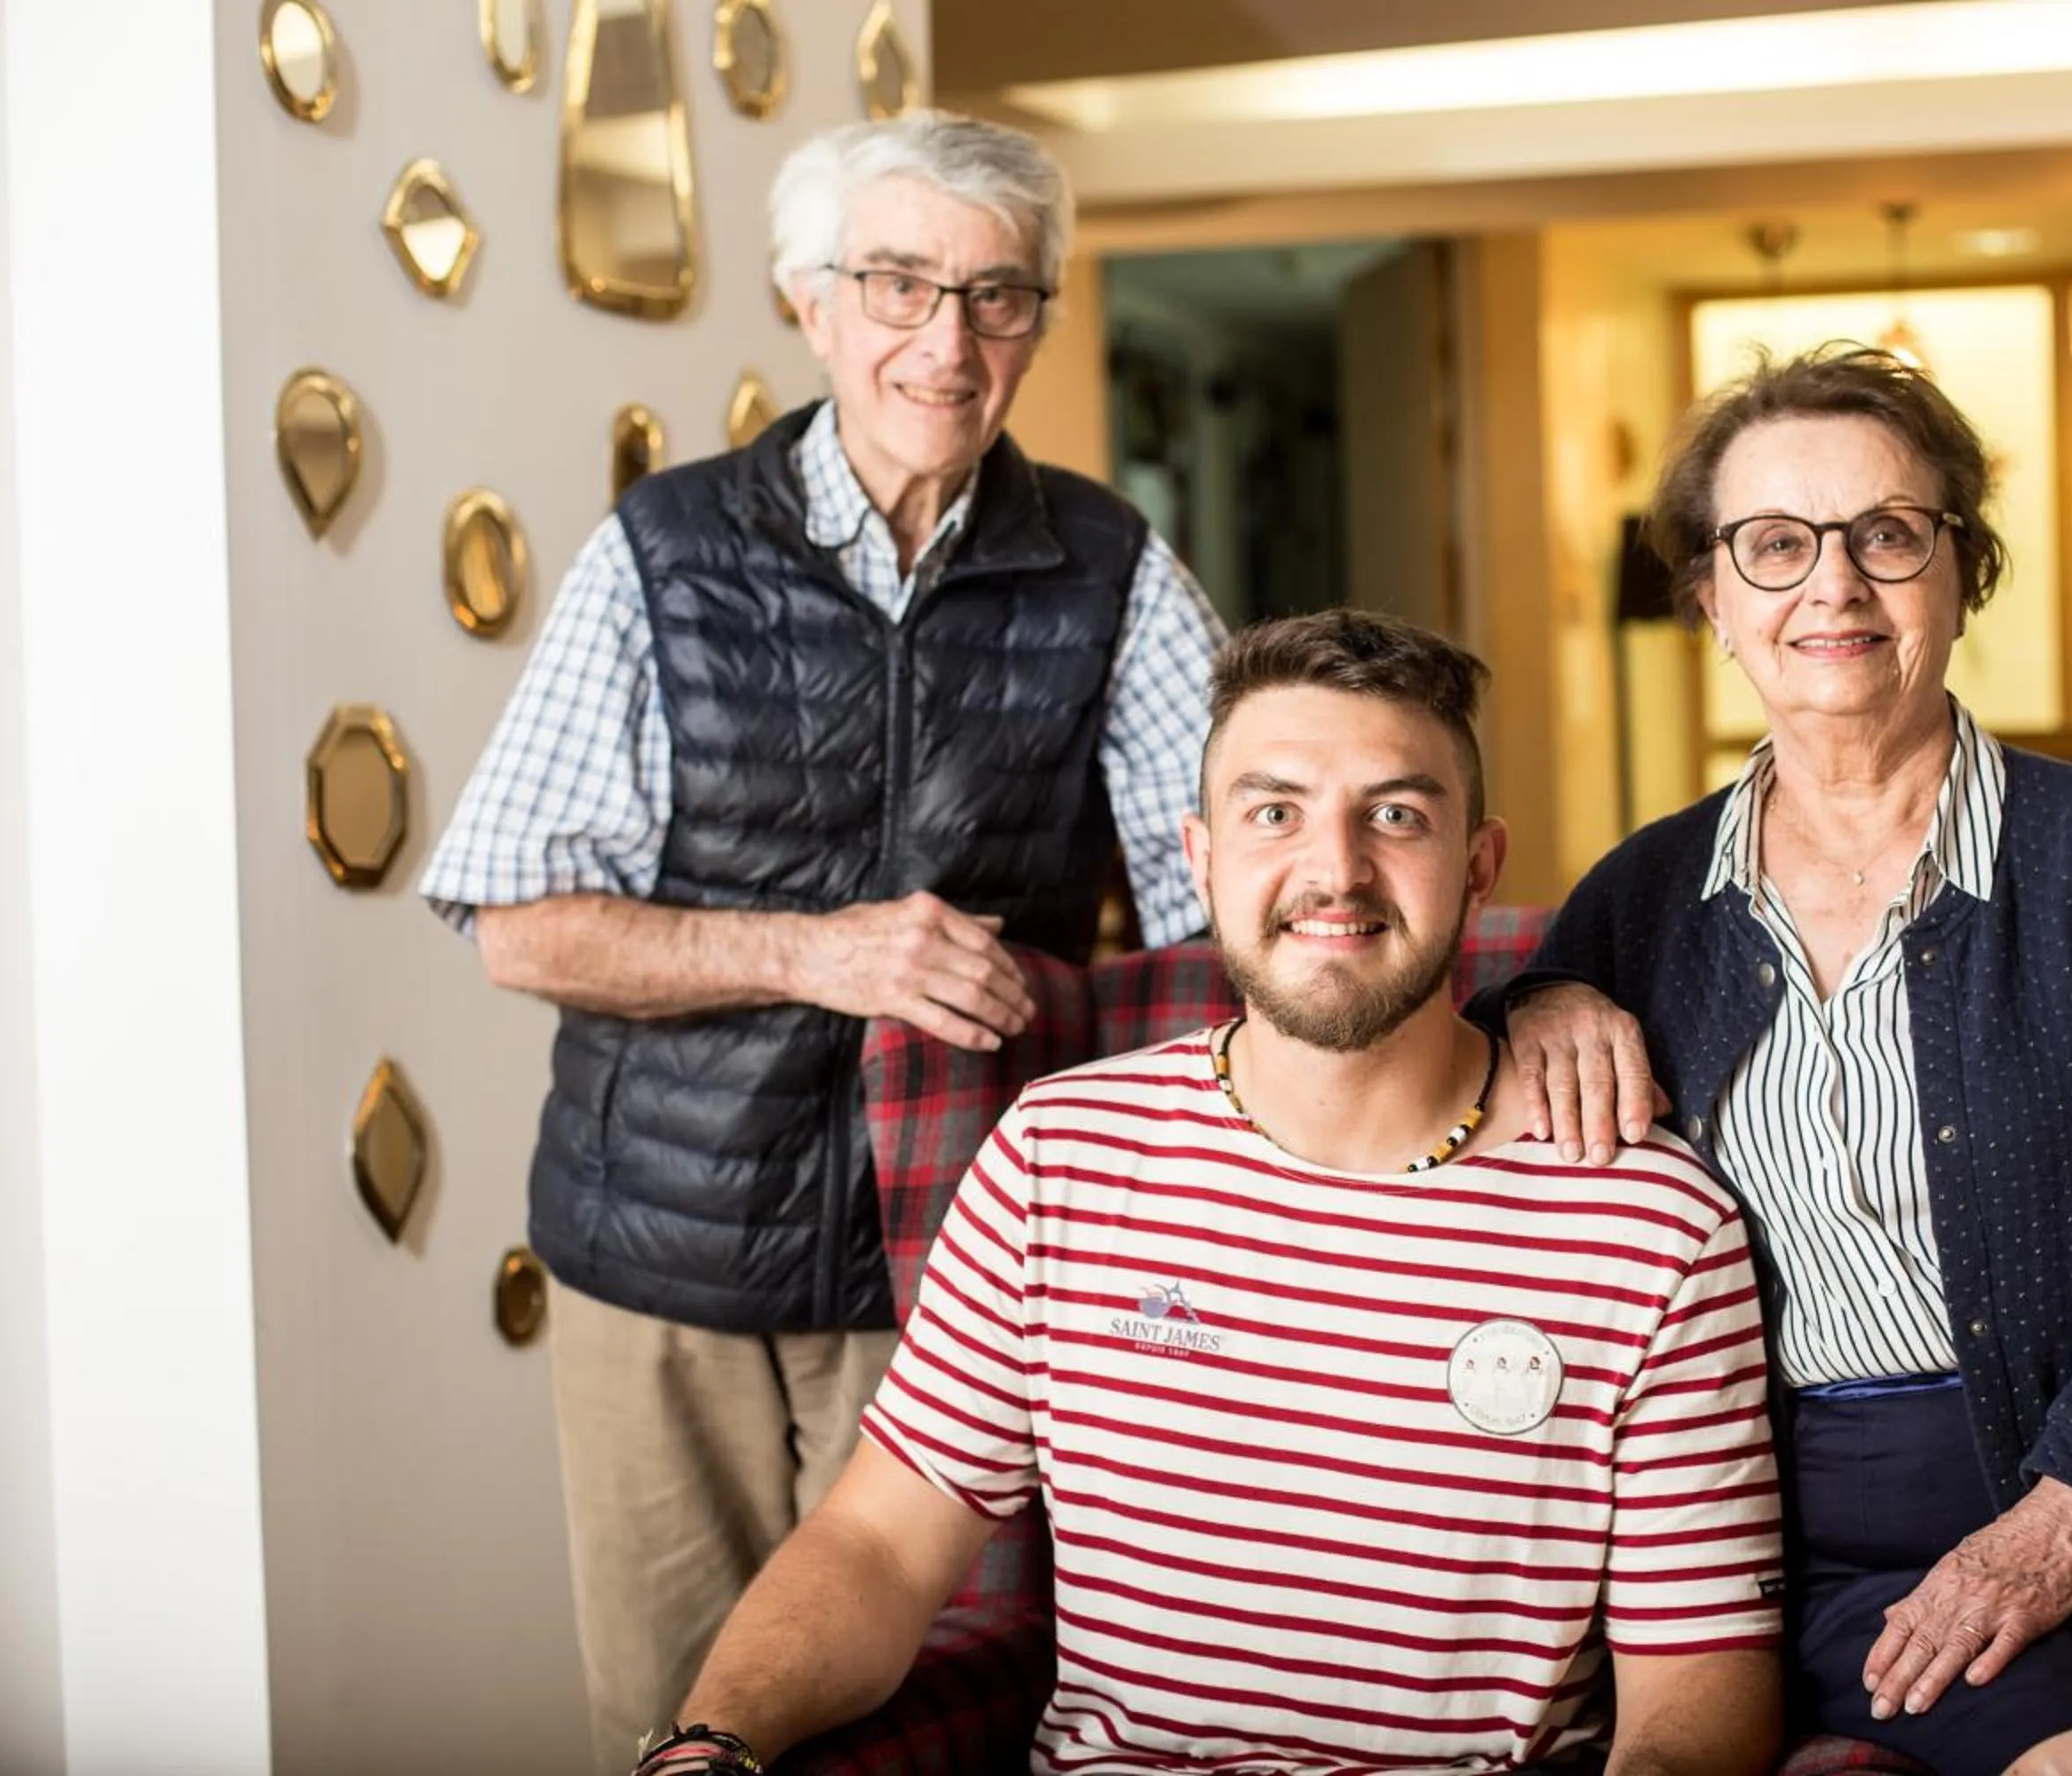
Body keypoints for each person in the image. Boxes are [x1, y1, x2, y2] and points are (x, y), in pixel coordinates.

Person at [627, 611, 1787, 1776]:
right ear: (1201, 859)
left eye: (1396, 814)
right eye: (1274, 812)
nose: (1335, 869)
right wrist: (711, 1743)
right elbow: (878, 1545)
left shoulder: (1650, 1227)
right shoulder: (1054, 1159)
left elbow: (1698, 1697)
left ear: (1478, 865)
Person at [417, 111, 1227, 1772]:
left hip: (963, 1263)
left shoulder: (1115, 569)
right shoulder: (667, 548)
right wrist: (821, 953)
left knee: (934, 1718)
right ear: (810, 300)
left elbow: (1236, 899)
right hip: (659, 1260)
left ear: (1040, 323)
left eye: (998, 297)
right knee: (677, 1728)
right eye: (898, 283)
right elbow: (517, 924)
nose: (948, 340)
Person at [1484, 345, 2072, 1776]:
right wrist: (1539, 997)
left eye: (1889, 533)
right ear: (1711, 600)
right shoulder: (1637, 899)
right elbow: (1491, 1157)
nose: (1835, 585)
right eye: (1773, 545)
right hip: (1753, 1563)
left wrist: (2061, 1526)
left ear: (1961, 569)